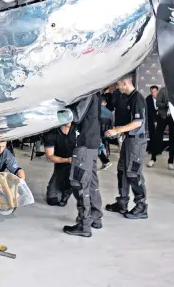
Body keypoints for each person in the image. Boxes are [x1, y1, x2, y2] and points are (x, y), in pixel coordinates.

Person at [105, 74, 149, 219]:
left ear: (125, 84)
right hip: (128, 139)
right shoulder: (125, 97)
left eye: (118, 85)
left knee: (133, 173)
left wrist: (117, 130)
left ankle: (141, 206)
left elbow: (137, 123)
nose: (117, 88)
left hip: (137, 141)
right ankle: (122, 202)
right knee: (122, 170)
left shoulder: (138, 98)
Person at [64, 92, 104, 237]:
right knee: (92, 182)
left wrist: (58, 112)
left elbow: (76, 115)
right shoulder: (96, 93)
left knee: (80, 183)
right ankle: (95, 217)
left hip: (84, 144)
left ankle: (84, 224)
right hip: (92, 143)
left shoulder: (87, 94)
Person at [44, 109, 76, 207]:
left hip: (76, 166)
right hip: (61, 166)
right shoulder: (51, 134)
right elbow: (49, 156)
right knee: (52, 200)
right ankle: (57, 187)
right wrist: (67, 160)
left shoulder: (77, 129)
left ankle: (67, 192)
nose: (70, 120)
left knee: (75, 179)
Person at [148, 86, 174, 169]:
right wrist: (166, 105)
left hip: (173, 117)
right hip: (162, 116)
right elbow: (157, 103)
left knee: (172, 139)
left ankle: (171, 162)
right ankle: (153, 159)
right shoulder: (162, 90)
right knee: (157, 138)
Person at [146, 85, 158, 152]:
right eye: (152, 92)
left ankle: (158, 149)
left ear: (157, 91)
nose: (153, 93)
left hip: (160, 118)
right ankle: (152, 149)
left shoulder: (161, 97)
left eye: (155, 91)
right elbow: (149, 111)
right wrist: (154, 121)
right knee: (152, 134)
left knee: (158, 135)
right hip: (151, 119)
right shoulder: (148, 99)